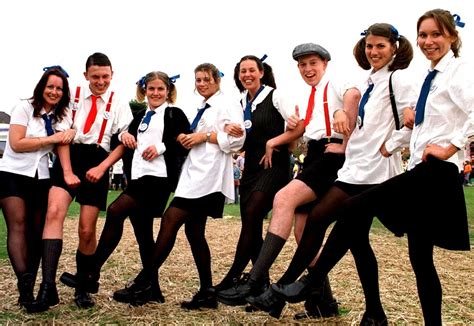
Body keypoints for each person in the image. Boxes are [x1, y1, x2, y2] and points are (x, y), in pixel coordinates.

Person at [272, 10, 471, 326]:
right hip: (417, 167)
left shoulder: (456, 71)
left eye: (436, 35)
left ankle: (312, 281)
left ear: (452, 37)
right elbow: (418, 121)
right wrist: (393, 142)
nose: (428, 41)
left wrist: (450, 146)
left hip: (435, 171)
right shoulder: (431, 77)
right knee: (420, 259)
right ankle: (418, 321)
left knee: (351, 209)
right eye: (423, 35)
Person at [251, 23, 417, 322]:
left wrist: (391, 145)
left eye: (381, 45)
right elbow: (356, 116)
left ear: (395, 47)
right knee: (352, 240)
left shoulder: (399, 79)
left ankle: (288, 288)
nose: (374, 51)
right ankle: (370, 311)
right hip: (356, 169)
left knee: (328, 225)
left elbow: (415, 119)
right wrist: (340, 113)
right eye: (369, 45)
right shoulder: (370, 80)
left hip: (377, 174)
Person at [215, 45, 360, 320]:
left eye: (313, 63)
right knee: (303, 234)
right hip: (315, 153)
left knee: (283, 199)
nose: (308, 69)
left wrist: (345, 136)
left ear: (325, 62)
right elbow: (301, 129)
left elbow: (353, 95)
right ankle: (323, 303)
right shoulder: (308, 94)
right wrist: (284, 132)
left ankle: (257, 280)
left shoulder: (335, 81)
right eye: (302, 65)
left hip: (331, 155)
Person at [110, 63, 245, 309]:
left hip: (209, 176)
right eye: (198, 80)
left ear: (217, 80)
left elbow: (237, 140)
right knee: (194, 234)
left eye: (206, 79)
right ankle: (206, 293)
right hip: (194, 174)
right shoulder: (202, 107)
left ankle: (144, 281)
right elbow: (196, 138)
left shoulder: (227, 103)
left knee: (171, 218)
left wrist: (203, 137)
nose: (202, 84)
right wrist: (188, 138)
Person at [59, 71, 190, 305]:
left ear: (168, 91)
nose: (156, 93)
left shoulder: (173, 113)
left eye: (161, 89)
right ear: (144, 90)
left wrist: (160, 147)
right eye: (151, 89)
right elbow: (124, 136)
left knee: (115, 210)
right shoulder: (140, 116)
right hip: (139, 177)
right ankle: (153, 289)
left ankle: (90, 273)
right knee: (143, 235)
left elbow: (183, 139)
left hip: (158, 178)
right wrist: (127, 134)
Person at [28, 53, 133, 313]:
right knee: (53, 213)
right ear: (85, 75)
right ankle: (47, 287)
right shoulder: (72, 94)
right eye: (95, 76)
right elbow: (63, 136)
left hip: (99, 160)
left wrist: (102, 167)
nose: (100, 82)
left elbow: (122, 139)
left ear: (112, 74)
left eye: (105, 76)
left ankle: (83, 286)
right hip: (69, 156)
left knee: (87, 230)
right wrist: (66, 171)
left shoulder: (118, 101)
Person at [214, 55, 303, 303]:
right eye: (243, 71)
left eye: (251, 70)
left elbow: (297, 127)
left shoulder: (275, 95)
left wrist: (275, 140)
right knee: (249, 224)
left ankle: (236, 276)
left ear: (261, 72)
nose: (247, 75)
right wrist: (229, 129)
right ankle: (259, 282)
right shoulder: (240, 101)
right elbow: (232, 133)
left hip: (274, 163)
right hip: (251, 166)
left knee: (253, 213)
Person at [0, 66, 74, 311]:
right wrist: (52, 139)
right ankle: (25, 288)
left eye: (59, 88)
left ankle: (33, 290)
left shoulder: (62, 116)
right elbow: (17, 143)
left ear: (64, 93)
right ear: (42, 87)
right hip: (12, 174)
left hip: (41, 177)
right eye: (50, 86)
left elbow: (64, 145)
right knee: (18, 224)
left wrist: (67, 170)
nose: (54, 91)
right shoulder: (23, 108)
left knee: (35, 233)